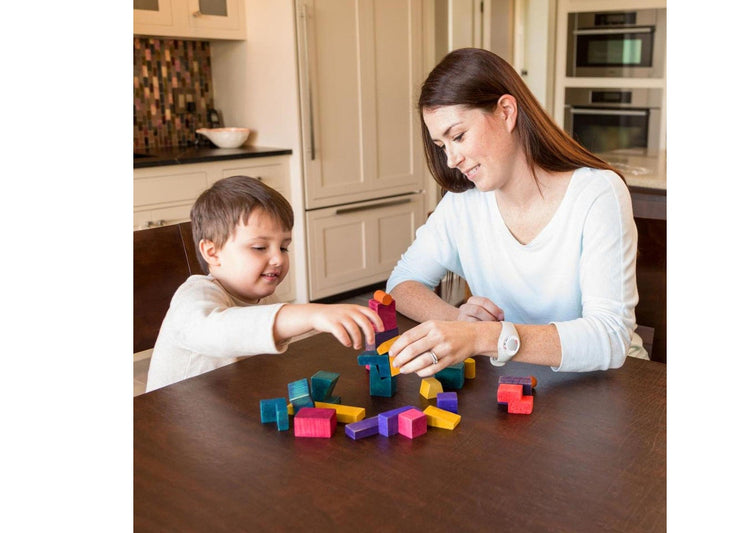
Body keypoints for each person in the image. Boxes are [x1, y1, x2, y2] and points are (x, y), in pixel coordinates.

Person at [387, 48, 646, 377]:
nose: (451, 159)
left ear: (506, 112)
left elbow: (609, 337)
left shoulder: (597, 194)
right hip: (518, 380)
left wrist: (484, 337)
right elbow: (401, 284)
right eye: (442, 145)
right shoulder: (463, 202)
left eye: (459, 136)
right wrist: (460, 325)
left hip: (612, 384)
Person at [146, 175, 383, 392]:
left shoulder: (264, 297)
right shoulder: (194, 295)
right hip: (173, 424)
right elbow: (219, 330)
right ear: (212, 252)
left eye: (283, 247)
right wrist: (311, 313)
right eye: (260, 248)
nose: (278, 258)